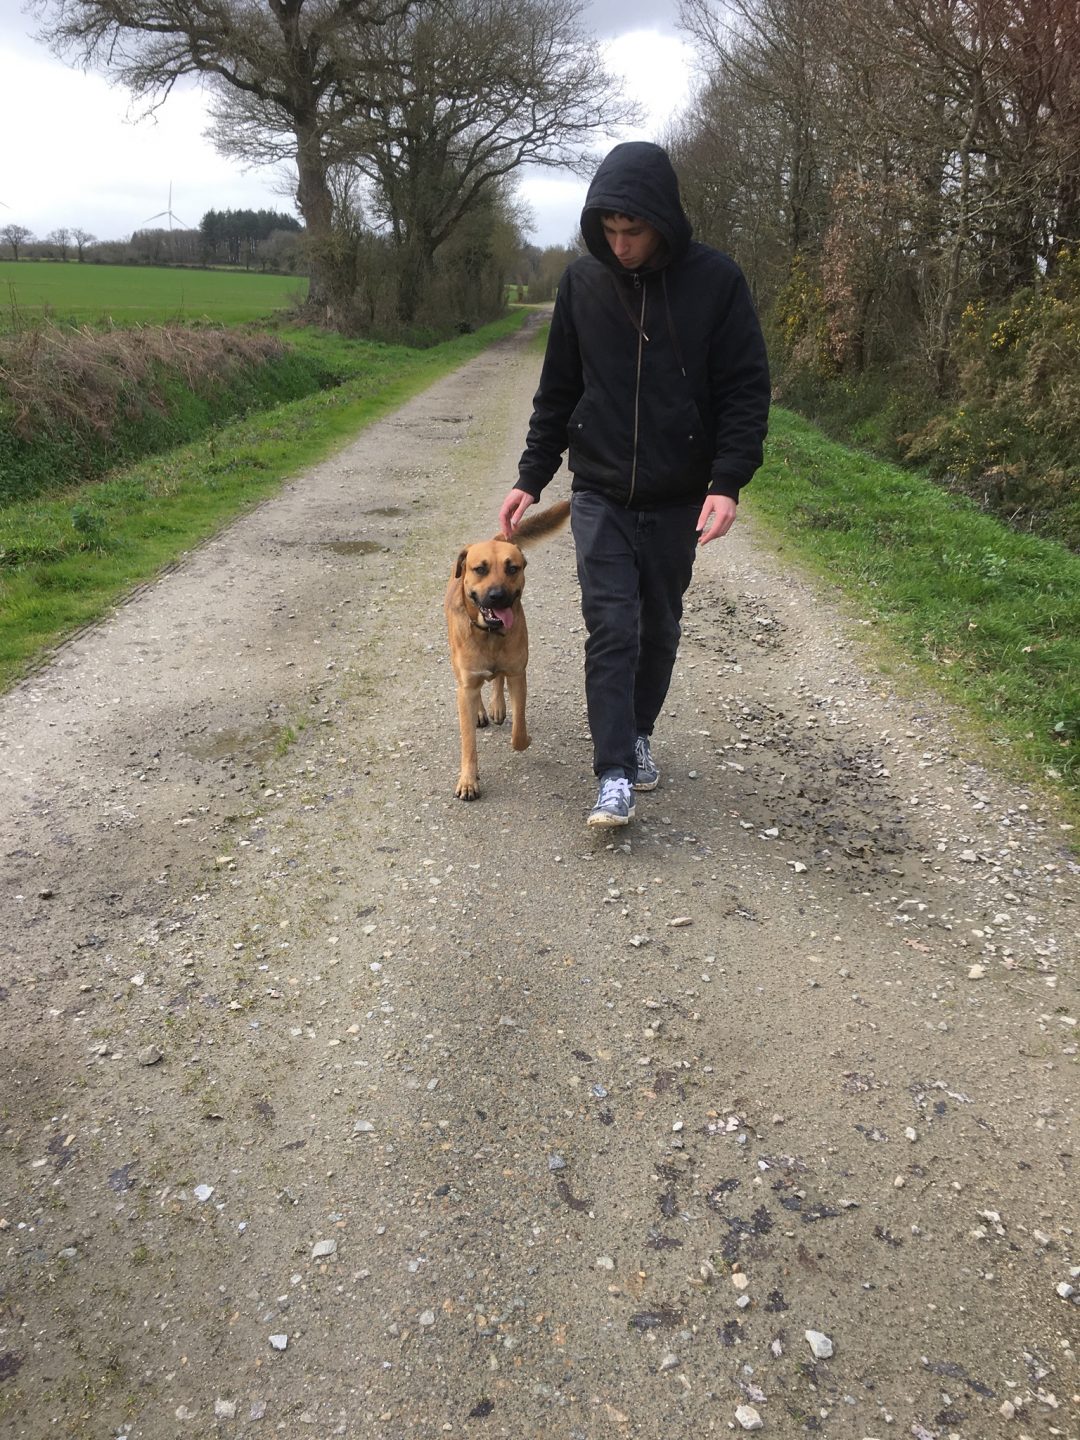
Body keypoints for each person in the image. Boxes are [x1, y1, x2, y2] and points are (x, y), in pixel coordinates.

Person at [499, 141, 770, 828]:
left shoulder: (718, 282)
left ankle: (638, 730)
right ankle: (612, 772)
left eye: (634, 232)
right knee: (611, 625)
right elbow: (557, 389)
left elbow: (744, 389)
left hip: (678, 494)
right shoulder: (582, 284)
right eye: (609, 232)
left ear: (664, 223)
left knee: (659, 627)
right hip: (599, 489)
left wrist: (727, 480)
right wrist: (532, 475)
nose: (620, 246)